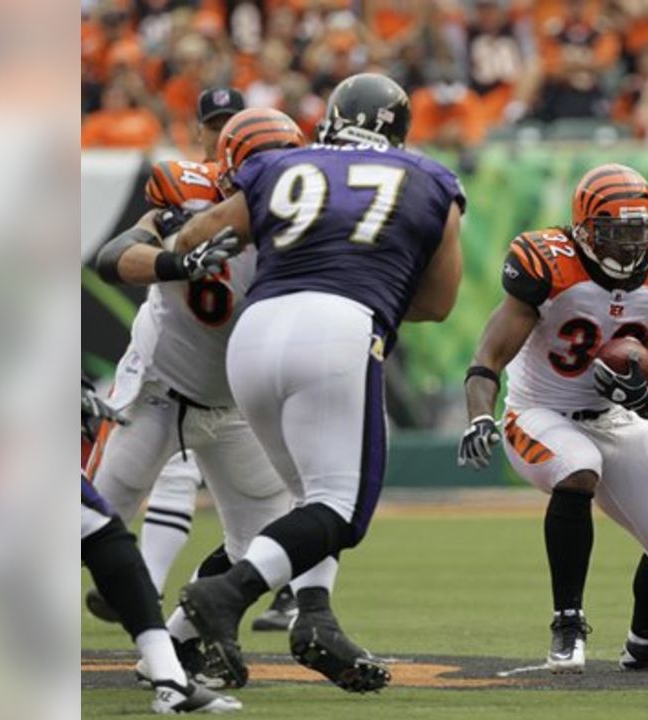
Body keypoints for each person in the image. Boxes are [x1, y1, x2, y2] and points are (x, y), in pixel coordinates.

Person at [168, 74, 465, 693]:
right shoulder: (431, 179)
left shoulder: (281, 163)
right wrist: (372, 276)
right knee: (339, 508)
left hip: (253, 333)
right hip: (338, 328)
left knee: (307, 503)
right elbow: (437, 303)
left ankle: (305, 621)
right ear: (399, 130)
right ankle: (229, 592)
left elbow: (197, 238)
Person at [457, 163, 648, 674]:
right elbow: (488, 356)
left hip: (614, 418)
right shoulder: (546, 265)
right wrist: (478, 416)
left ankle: (647, 645)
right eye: (615, 233)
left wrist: (647, 397)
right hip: (538, 412)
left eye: (638, 232)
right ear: (583, 229)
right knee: (578, 468)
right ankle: (568, 626)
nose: (629, 246)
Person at [89, 128, 303, 685]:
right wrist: (177, 264)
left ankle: (181, 639)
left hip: (234, 406)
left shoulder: (309, 222)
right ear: (229, 171)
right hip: (157, 392)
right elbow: (113, 257)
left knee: (270, 541)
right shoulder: (190, 196)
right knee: (87, 520)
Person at [81, 381, 243, 715]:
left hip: (226, 399)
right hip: (163, 388)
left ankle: (169, 670)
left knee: (103, 533)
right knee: (100, 529)